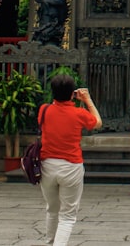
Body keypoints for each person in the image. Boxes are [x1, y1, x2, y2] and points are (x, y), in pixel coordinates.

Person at [39, 74, 102, 246]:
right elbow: (97, 122)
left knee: (52, 209)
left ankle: (50, 242)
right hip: (71, 165)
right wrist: (87, 100)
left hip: (47, 165)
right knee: (67, 216)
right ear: (71, 93)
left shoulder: (44, 110)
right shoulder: (79, 113)